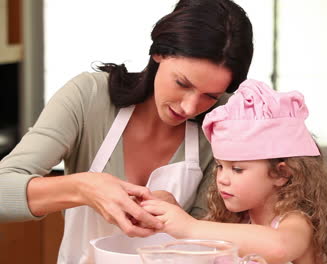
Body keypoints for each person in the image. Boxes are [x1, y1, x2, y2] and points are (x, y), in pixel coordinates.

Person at [0, 0, 253, 263]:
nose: (190, 107)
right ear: (159, 53)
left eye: (210, 96)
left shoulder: (222, 118)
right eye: (182, 83)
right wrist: (83, 187)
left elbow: (214, 240)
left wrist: (180, 216)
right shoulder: (88, 97)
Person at [141, 79, 327, 264]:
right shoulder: (241, 221)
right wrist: (171, 210)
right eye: (221, 166)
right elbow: (209, 239)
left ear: (282, 174)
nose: (222, 179)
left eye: (238, 169)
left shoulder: (296, 223)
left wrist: (189, 227)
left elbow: (278, 247)